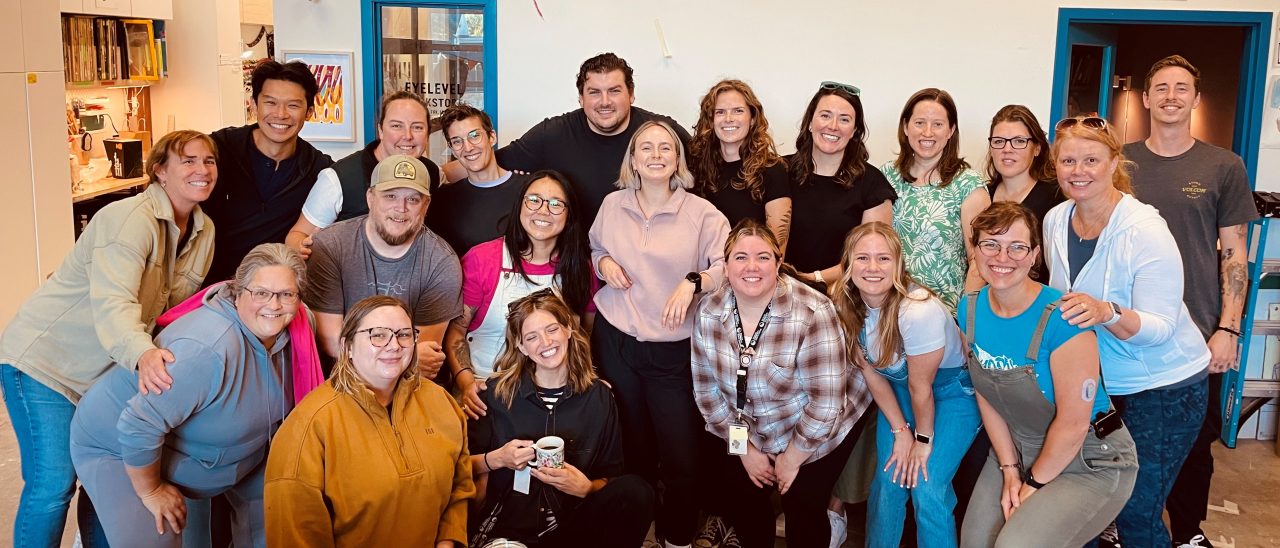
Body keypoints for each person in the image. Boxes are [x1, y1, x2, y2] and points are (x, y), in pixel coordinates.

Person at [0, 130, 218, 548]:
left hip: (104, 371)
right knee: (54, 483)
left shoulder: (203, 230)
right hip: (46, 364)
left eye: (208, 161)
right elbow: (115, 303)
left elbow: (173, 310)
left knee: (106, 478)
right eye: (188, 161)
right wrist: (144, 354)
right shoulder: (128, 219)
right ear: (160, 171)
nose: (202, 170)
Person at [67, 243, 305, 548]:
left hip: (207, 449)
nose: (274, 304)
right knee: (161, 536)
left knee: (277, 520)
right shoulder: (206, 350)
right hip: (121, 444)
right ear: (237, 292)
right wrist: (151, 490)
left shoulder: (297, 333)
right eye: (261, 293)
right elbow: (139, 424)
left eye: (286, 294)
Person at [1043, 115, 1211, 546]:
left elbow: (1160, 328)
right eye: (1068, 161)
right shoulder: (1056, 220)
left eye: (1091, 160)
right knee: (1093, 505)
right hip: (1102, 385)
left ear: (1114, 163)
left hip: (1164, 388)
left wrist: (1107, 312)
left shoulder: (1144, 229)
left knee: (1136, 511)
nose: (1078, 171)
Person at [1123, 54, 1258, 547]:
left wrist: (1229, 328)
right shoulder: (1120, 163)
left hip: (1198, 330)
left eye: (1182, 88)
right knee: (1123, 438)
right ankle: (1121, 525)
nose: (1171, 96)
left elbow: (1235, 254)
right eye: (1161, 87)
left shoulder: (1223, 166)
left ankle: (1187, 533)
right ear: (1146, 98)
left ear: (1196, 99)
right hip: (1128, 327)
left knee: (1195, 444)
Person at [957, 202, 1138, 547]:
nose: (1002, 257)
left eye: (1017, 247)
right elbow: (987, 392)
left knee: (1015, 545)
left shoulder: (1064, 318)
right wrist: (1010, 469)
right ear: (975, 249)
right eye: (990, 244)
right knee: (975, 542)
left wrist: (1032, 485)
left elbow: (1073, 425)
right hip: (1018, 448)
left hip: (1088, 459)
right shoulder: (970, 308)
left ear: (1034, 255)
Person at [589, 120, 730, 548]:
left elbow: (726, 267)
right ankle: (635, 534)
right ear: (632, 159)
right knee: (632, 449)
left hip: (675, 352)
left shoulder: (703, 213)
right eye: (645, 147)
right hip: (617, 342)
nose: (655, 155)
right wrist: (603, 264)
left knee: (681, 455)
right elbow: (596, 248)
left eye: (665, 148)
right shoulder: (612, 205)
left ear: (677, 159)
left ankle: (678, 537)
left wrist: (693, 281)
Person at [691, 220, 871, 548]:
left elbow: (826, 405)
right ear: (726, 267)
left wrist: (792, 458)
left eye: (763, 257)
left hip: (816, 425)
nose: (752, 267)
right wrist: (744, 449)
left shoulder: (813, 311)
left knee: (803, 504)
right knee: (743, 495)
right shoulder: (708, 311)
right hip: (750, 427)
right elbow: (708, 394)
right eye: (741, 257)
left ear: (777, 264)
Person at [265, 295, 474, 547]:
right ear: (348, 347)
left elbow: (460, 485)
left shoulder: (440, 401)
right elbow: (295, 535)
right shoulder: (308, 426)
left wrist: (448, 540)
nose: (394, 345)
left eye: (404, 334)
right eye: (378, 335)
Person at [830, 222, 980, 548]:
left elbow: (921, 388)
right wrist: (900, 431)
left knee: (926, 484)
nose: (872, 267)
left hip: (952, 394)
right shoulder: (845, 302)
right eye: (863, 258)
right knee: (888, 480)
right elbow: (871, 372)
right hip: (901, 392)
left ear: (898, 264)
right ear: (848, 263)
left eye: (883, 258)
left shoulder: (917, 310)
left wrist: (922, 440)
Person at [468, 291, 654, 547]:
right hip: (511, 528)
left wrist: (586, 488)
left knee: (637, 491)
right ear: (521, 346)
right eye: (532, 337)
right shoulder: (495, 394)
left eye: (552, 329)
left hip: (571, 526)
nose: (545, 342)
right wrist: (498, 458)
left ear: (568, 329)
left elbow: (612, 477)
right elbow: (456, 468)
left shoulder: (598, 398)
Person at [445, 52, 691, 223]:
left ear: (631, 94)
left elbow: (707, 166)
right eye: (594, 92)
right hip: (575, 262)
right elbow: (488, 160)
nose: (605, 101)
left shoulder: (662, 133)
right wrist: (433, 176)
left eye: (614, 91)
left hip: (644, 257)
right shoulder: (552, 134)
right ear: (581, 98)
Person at [446, 170, 597, 420]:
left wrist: (590, 384)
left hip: (556, 397)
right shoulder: (482, 259)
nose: (543, 211)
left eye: (556, 204)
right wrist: (465, 384)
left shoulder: (581, 269)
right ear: (520, 206)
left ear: (569, 215)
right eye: (534, 200)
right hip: (484, 391)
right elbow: (456, 332)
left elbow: (584, 336)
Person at [304, 154, 463, 381]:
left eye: (413, 199)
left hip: (407, 386)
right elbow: (330, 341)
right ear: (371, 198)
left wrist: (405, 357)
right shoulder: (330, 246)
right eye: (390, 196)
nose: (401, 208)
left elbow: (426, 351)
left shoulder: (441, 262)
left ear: (426, 205)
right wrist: (405, 356)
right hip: (342, 383)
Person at [206, 59, 333, 284]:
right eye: (270, 103)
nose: (280, 114)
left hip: (273, 291)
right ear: (254, 105)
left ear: (309, 112)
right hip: (208, 288)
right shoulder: (218, 149)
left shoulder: (319, 169)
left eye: (293, 105)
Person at [286, 91, 441, 259]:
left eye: (417, 127)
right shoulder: (339, 178)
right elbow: (296, 236)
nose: (408, 136)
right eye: (396, 126)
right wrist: (303, 248)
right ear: (380, 130)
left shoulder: (431, 173)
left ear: (428, 134)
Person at [883, 88, 990, 310]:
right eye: (919, 123)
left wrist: (965, 317)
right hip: (888, 307)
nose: (927, 132)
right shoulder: (886, 177)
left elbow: (978, 260)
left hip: (944, 311)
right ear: (906, 127)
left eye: (938, 124)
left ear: (951, 130)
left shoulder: (968, 184)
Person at [785, 81, 896, 289]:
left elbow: (872, 257)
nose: (833, 126)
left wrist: (813, 278)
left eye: (844, 119)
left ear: (854, 130)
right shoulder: (779, 171)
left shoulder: (873, 184)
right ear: (810, 122)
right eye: (825, 115)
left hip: (843, 294)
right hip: (779, 290)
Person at [688, 79, 792, 251]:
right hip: (705, 264)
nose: (728, 119)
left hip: (753, 264)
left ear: (752, 119)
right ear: (711, 120)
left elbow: (776, 249)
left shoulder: (773, 170)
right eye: (720, 112)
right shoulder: (696, 167)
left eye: (738, 111)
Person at [427, 104, 531, 257]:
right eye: (457, 141)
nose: (468, 147)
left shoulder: (529, 190)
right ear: (452, 149)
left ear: (492, 137)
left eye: (475, 135)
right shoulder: (443, 200)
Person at [985, 105, 1063, 284]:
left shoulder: (1056, 198)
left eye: (1019, 141)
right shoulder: (981, 195)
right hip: (988, 296)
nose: (1007, 149)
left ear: (1036, 148)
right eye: (999, 141)